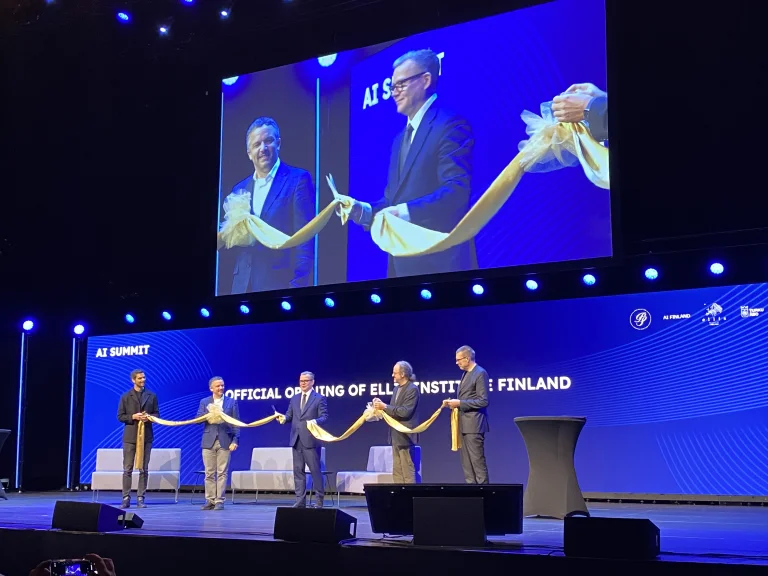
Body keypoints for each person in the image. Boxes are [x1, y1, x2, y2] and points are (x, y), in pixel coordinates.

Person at [344, 48, 477, 278]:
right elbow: (393, 200)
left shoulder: (450, 124)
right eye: (392, 86)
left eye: (401, 85)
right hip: (402, 267)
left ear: (425, 80)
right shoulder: (399, 139)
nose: (394, 92)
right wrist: (362, 210)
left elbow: (456, 191)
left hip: (441, 265)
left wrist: (404, 212)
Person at [223, 116, 316, 294]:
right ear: (249, 152)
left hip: (280, 286)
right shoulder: (239, 189)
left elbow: (305, 240)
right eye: (257, 144)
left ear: (278, 143)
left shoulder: (298, 180)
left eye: (268, 141)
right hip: (241, 288)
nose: (263, 149)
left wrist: (298, 288)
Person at [443, 346, 489, 484]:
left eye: (459, 360)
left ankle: (485, 497)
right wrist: (453, 403)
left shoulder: (480, 373)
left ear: (467, 358)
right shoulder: (465, 374)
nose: (457, 363)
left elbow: (483, 401)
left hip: (474, 426)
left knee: (477, 465)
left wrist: (460, 403)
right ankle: (473, 498)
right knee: (467, 467)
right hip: (463, 426)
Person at [282, 372, 328, 508]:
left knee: (315, 471)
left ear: (312, 382)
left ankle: (319, 501)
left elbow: (324, 417)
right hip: (296, 440)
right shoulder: (294, 398)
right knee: (298, 472)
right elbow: (289, 416)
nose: (303, 383)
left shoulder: (319, 398)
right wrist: (283, 418)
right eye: (301, 381)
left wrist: (314, 421)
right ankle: (300, 501)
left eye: (306, 381)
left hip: (311, 441)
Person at [116, 369, 159, 509]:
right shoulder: (125, 397)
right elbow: (120, 416)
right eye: (140, 378)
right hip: (130, 437)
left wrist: (149, 417)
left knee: (144, 469)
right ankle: (126, 498)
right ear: (133, 380)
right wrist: (133, 417)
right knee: (127, 469)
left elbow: (157, 414)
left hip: (146, 437)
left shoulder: (151, 396)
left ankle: (141, 498)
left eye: (144, 377)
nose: (143, 380)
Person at [373, 361, 420, 483]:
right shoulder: (396, 389)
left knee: (407, 470)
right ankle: (400, 499)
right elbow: (393, 410)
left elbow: (405, 412)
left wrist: (385, 407)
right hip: (395, 435)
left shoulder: (412, 389)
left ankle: (410, 498)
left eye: (395, 373)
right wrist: (380, 406)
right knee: (397, 471)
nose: (392, 375)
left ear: (403, 374)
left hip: (406, 436)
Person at [197, 376, 240, 510]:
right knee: (209, 473)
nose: (221, 388)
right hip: (208, 441)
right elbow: (198, 419)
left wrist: (235, 440)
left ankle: (219, 500)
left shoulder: (231, 402)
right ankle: (210, 500)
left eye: (222, 385)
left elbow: (236, 423)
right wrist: (208, 414)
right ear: (211, 388)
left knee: (222, 472)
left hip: (225, 440)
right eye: (218, 386)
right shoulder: (204, 402)